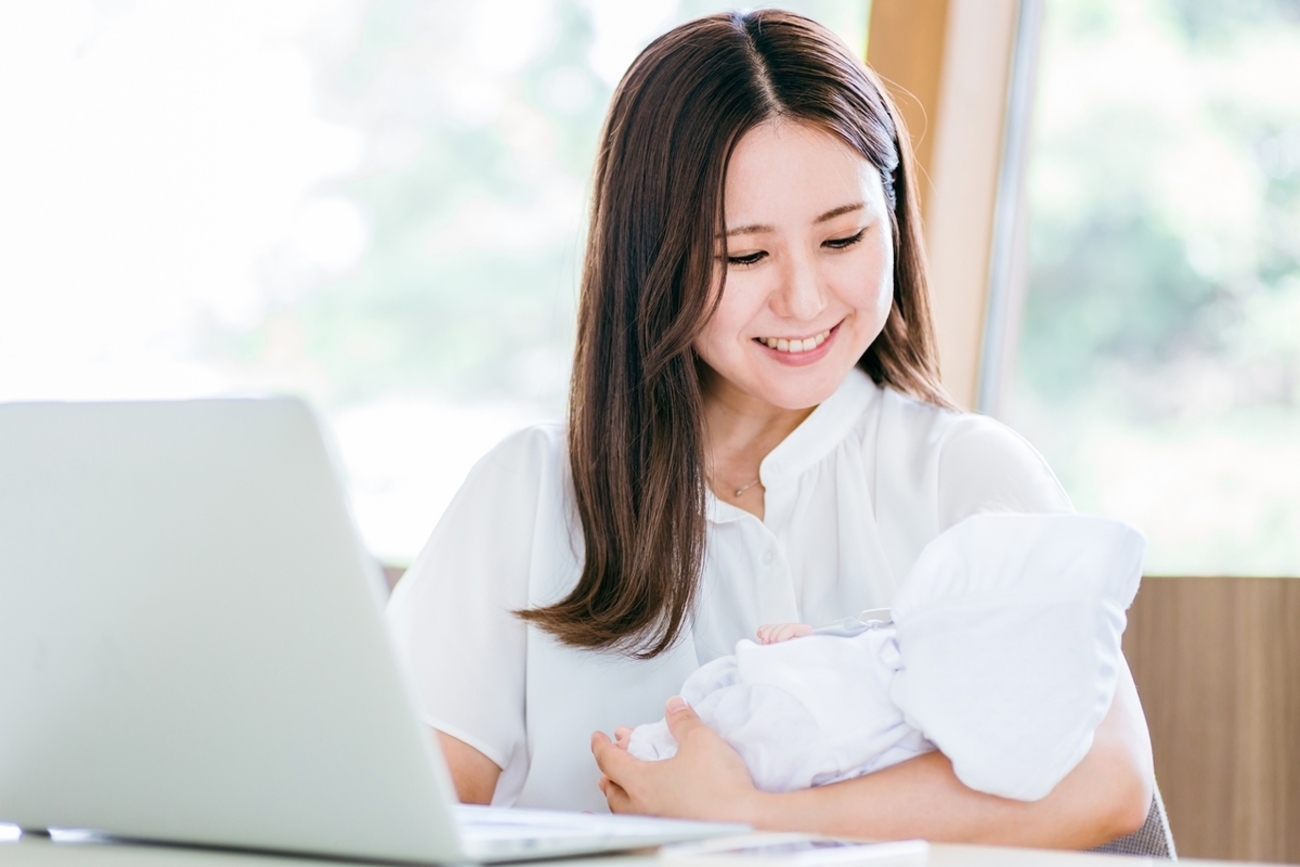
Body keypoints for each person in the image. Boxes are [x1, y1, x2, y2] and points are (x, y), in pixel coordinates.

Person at [385, 9, 1155, 849]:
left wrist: (749, 816)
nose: (804, 298)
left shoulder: (964, 473)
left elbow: (1109, 782)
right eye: (745, 256)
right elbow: (394, 813)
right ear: (653, 258)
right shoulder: (529, 491)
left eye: (844, 237)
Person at [623, 513, 1144, 802]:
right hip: (776, 689)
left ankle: (654, 751)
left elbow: (1107, 790)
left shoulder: (940, 720)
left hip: (769, 734)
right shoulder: (928, 634)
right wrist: (817, 643)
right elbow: (869, 640)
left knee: (749, 733)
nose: (800, 308)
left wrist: (737, 809)